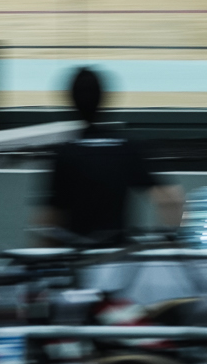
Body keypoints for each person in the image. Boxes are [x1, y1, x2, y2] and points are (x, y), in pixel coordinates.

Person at [35, 67, 182, 245]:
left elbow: (49, 222)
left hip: (79, 260)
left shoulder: (65, 153)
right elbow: (171, 199)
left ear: (71, 101)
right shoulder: (127, 147)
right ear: (104, 98)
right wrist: (175, 240)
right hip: (116, 259)